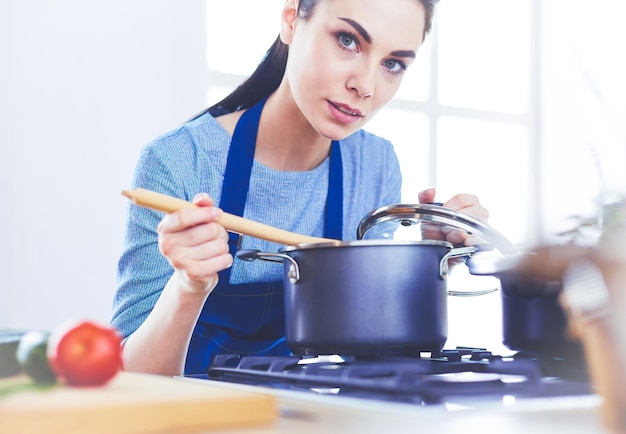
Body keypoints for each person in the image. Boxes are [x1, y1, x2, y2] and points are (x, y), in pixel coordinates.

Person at [111, 0, 489, 376]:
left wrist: (427, 264)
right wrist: (188, 286)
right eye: (347, 40)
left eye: (392, 64)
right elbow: (132, 379)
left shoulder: (375, 165)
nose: (365, 86)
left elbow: (373, 357)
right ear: (291, 19)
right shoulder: (180, 161)